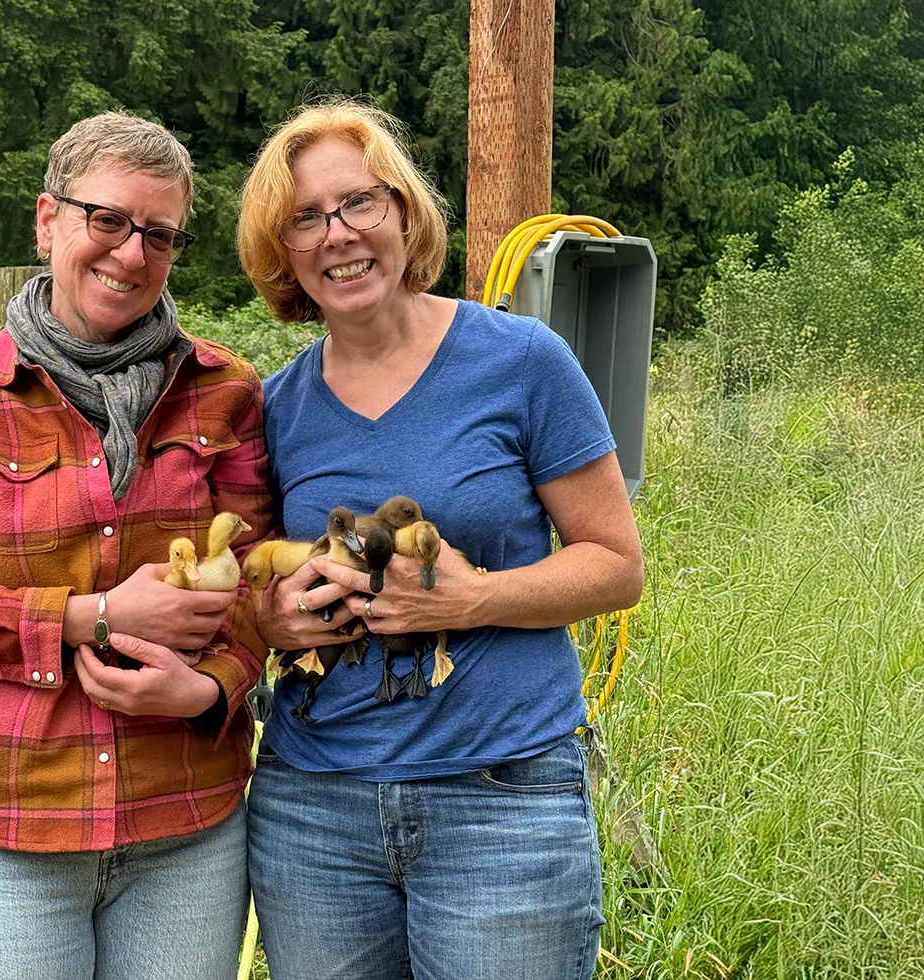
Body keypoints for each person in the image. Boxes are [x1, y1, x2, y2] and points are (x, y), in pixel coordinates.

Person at [234, 98, 644, 979]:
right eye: (306, 218)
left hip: (502, 798)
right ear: (281, 251)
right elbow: (251, 590)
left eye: (359, 202)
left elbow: (617, 567)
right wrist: (271, 621)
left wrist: (474, 597)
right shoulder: (271, 407)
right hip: (314, 814)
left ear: (404, 211)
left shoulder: (522, 361)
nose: (338, 235)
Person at [0, 110, 271, 980]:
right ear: (47, 220)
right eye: (108, 220)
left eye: (160, 235)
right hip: (7, 818)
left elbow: (257, 584)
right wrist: (95, 617)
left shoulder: (224, 392)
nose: (132, 254)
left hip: (185, 821)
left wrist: (208, 688)